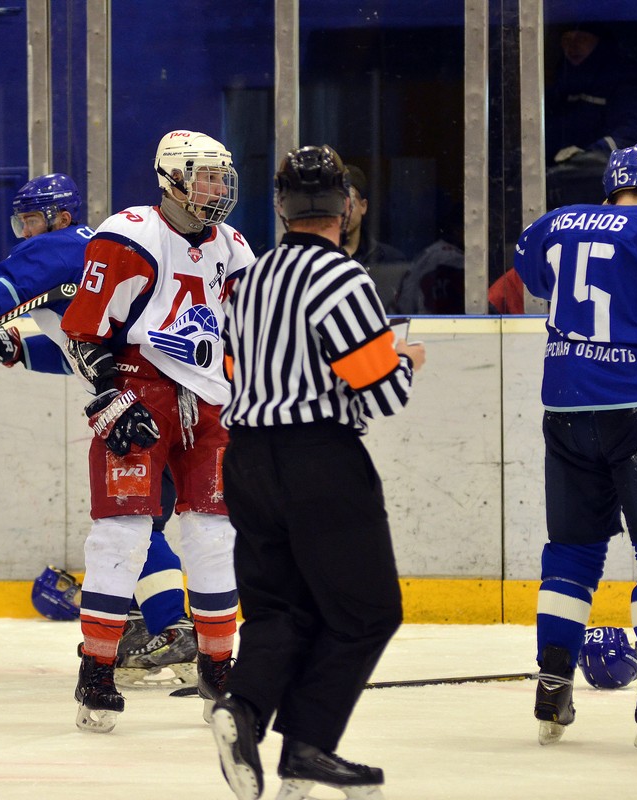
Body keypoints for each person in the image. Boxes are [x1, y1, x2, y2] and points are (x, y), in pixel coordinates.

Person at [209, 144, 423, 800]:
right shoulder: (342, 279)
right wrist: (405, 357)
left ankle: (241, 711)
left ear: (281, 206)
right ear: (345, 209)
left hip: (246, 458)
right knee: (367, 611)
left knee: (282, 608)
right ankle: (306, 745)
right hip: (317, 459)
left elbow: (236, 371)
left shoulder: (250, 279)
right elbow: (381, 393)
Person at [0, 172, 196, 685]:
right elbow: (75, 356)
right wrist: (12, 348)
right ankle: (152, 624)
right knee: (146, 522)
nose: (26, 231)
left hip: (140, 399)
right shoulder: (91, 254)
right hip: (174, 394)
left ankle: (175, 629)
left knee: (133, 521)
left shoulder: (59, 247)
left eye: (32, 219)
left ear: (60, 216)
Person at [59, 129, 255, 732]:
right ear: (172, 178)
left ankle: (219, 669)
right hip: (139, 391)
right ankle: (97, 670)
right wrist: (111, 398)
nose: (219, 188)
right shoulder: (130, 235)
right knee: (121, 535)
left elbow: (247, 330)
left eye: (223, 176)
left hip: (209, 397)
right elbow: (84, 331)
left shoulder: (234, 245)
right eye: (207, 176)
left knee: (213, 535)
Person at [514, 142, 637, 750]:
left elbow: (532, 277)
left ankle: (551, 685)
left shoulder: (554, 224)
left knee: (571, 549)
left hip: (566, 405)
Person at [544, 24, 637, 210]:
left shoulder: (622, 76)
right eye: (566, 40)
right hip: (562, 186)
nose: (572, 46)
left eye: (581, 39)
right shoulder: (559, 79)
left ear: (599, 41)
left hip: (606, 186)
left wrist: (589, 155)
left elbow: (635, 130)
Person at [342, 164, 407, 307]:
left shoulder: (391, 260)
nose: (344, 211)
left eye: (350, 203)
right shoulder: (317, 261)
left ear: (363, 206)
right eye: (338, 204)